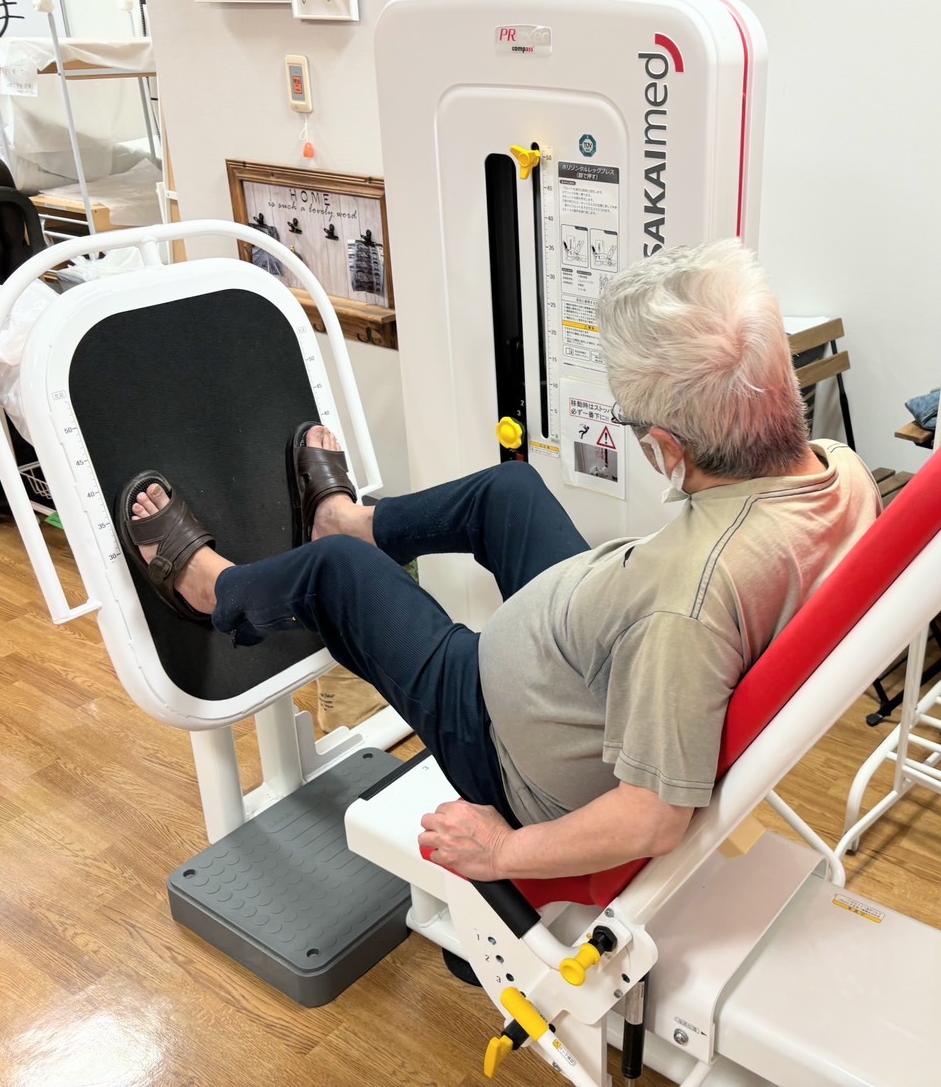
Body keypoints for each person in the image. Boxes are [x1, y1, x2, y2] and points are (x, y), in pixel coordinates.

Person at [119, 240, 880, 882]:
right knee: (506, 491)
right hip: (588, 651)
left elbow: (651, 818)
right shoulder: (838, 472)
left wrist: (502, 851)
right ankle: (341, 519)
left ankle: (214, 589)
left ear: (666, 450)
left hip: (499, 735)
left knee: (338, 575)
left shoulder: (688, 607)